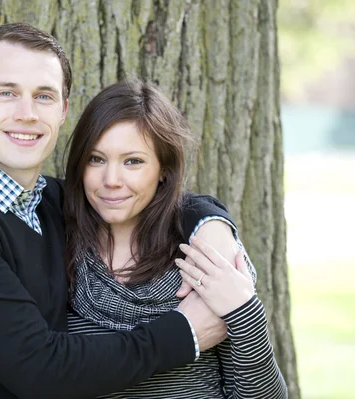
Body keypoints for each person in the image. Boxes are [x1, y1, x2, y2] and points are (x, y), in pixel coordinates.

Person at [0, 23, 236, 399]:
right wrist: (186, 333)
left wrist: (209, 223)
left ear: (64, 110)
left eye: (44, 96)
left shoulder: (44, 200)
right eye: (7, 93)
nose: (27, 113)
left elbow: (144, 196)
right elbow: (41, 369)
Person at [64, 80, 288, 398]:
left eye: (133, 161)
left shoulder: (203, 259)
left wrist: (243, 310)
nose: (111, 180)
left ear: (163, 170)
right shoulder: (57, 250)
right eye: (96, 159)